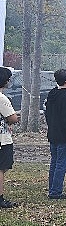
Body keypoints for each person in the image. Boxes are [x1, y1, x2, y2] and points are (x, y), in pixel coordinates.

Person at [45, 69, 66, 200]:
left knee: (54, 162)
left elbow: (48, 114)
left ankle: (52, 188)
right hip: (63, 136)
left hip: (53, 133)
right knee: (61, 164)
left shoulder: (52, 94)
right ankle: (55, 191)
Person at [0, 67, 20, 208]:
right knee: (1, 169)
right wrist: (15, 117)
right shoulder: (2, 98)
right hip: (2, 139)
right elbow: (12, 118)